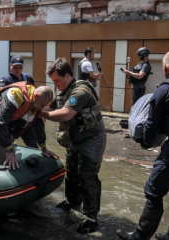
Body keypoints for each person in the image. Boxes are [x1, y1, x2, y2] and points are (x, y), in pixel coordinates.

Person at [117, 51, 169, 240]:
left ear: (165, 68)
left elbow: (151, 126)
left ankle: (140, 236)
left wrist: (145, 142)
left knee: (153, 192)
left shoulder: (165, 89)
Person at [42, 58, 106, 233]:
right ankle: (72, 202)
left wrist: (39, 112)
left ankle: (91, 217)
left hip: (92, 139)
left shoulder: (80, 91)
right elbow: (51, 107)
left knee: (88, 177)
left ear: (68, 75)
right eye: (53, 81)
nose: (55, 84)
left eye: (57, 80)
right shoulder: (63, 90)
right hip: (75, 139)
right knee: (71, 172)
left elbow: (64, 114)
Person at [0, 55, 38, 148]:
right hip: (12, 117)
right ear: (10, 66)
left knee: (32, 142)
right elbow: (1, 96)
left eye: (20, 68)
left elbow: (35, 94)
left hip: (26, 115)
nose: (18, 70)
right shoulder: (6, 80)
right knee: (8, 141)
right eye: (15, 67)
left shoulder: (27, 77)